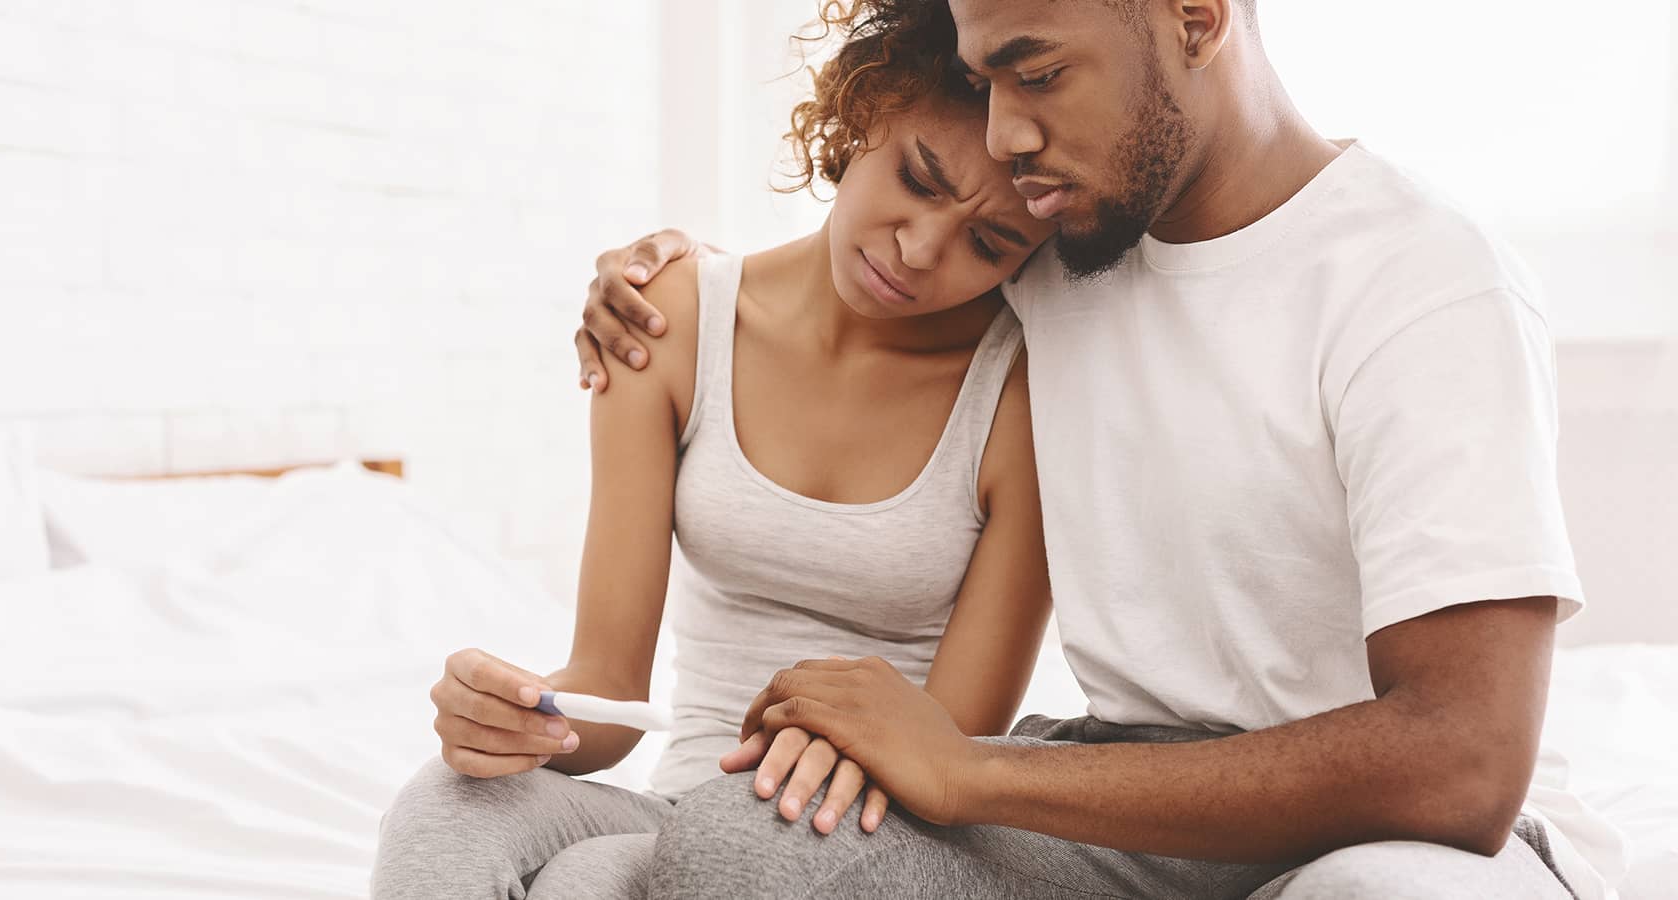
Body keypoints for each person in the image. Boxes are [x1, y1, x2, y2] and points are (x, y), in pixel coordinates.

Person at [574, 0, 1628, 897]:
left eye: (1038, 74)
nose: (1008, 136)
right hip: (1134, 819)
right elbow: (863, 273)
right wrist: (663, 275)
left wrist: (970, 772)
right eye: (989, 82)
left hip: (1395, 837)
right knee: (733, 853)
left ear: (1196, 18)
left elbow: (1464, 766)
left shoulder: (1420, 280)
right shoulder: (1058, 242)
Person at [370, 3, 1060, 897]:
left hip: (856, 836)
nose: (922, 250)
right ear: (865, 113)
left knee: (589, 883)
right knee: (447, 804)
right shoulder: (667, 319)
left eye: (989, 241)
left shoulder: (1020, 397)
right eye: (920, 179)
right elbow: (610, 695)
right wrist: (513, 718)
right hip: (676, 800)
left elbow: (948, 752)